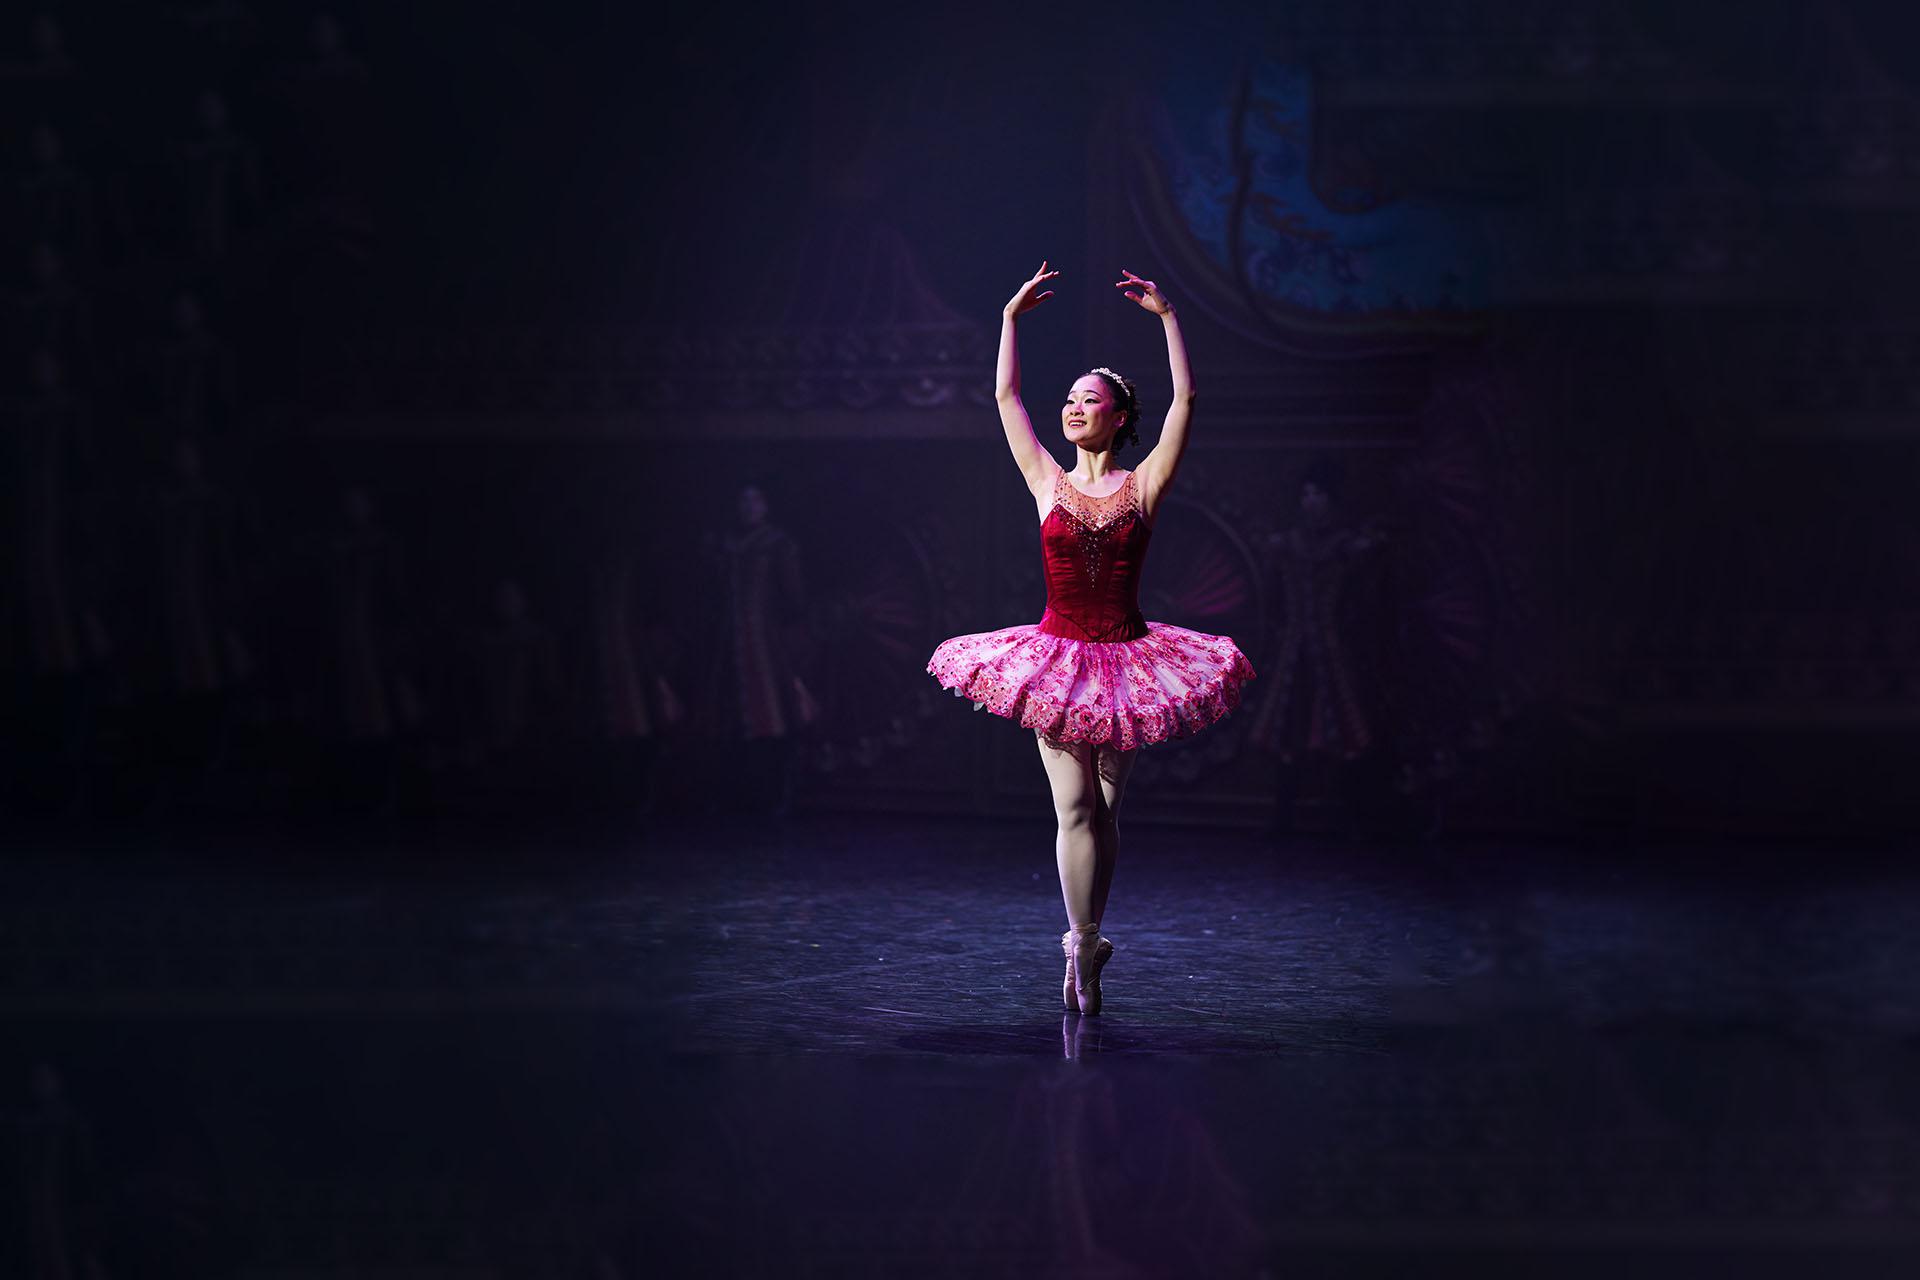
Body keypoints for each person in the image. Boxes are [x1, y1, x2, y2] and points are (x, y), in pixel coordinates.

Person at [926, 261, 1256, 1016]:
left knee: (1105, 816)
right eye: (1069, 399)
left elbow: (1187, 402)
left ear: (1116, 416)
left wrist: (1170, 318)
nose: (1074, 409)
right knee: (1073, 811)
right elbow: (1006, 398)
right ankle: (1078, 947)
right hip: (1057, 661)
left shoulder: (1143, 484)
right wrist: (1009, 320)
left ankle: (1094, 934)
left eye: (1089, 400)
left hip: (1131, 664)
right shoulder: (1046, 480)